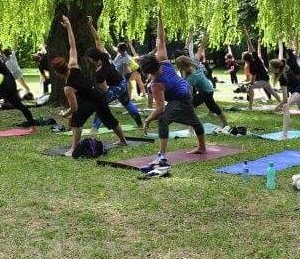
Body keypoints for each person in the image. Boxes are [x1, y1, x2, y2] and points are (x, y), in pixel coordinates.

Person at [139, 11, 207, 170]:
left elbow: (160, 108)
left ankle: (161, 157)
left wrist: (148, 120)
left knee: (163, 119)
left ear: (148, 71)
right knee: (193, 120)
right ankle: (202, 147)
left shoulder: (157, 85)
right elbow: (161, 39)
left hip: (181, 97)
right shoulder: (163, 61)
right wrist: (160, 18)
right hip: (186, 91)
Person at [55, 15, 128, 155]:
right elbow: (72, 45)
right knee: (109, 119)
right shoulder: (73, 65)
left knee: (76, 121)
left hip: (93, 99)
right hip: (98, 96)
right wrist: (69, 26)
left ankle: (73, 149)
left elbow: (74, 107)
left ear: (58, 73)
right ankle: (123, 140)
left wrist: (65, 114)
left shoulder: (68, 87)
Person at [86, 18, 143, 132]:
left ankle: (94, 128)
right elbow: (97, 39)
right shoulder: (104, 56)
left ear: (93, 59)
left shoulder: (99, 73)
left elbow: (104, 89)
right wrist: (91, 25)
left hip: (116, 87)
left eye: (89, 59)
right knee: (126, 103)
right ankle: (140, 124)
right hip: (121, 82)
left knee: (101, 103)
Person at [268, 50, 300, 139]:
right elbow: (280, 56)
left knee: (286, 106)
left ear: (276, 69)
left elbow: (285, 99)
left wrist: (277, 107)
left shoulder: (283, 77)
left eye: (270, 67)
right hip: (298, 88)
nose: (269, 68)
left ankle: (284, 135)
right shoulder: (283, 68)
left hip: (299, 89)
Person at [176, 55, 227, 128]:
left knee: (190, 106)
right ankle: (225, 124)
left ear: (183, 67)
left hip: (205, 92)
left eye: (180, 68)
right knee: (213, 107)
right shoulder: (195, 66)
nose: (180, 69)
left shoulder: (192, 76)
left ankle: (192, 128)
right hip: (209, 89)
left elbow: (188, 91)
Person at [241, 26, 278, 109]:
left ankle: (250, 106)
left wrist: (244, 84)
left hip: (263, 81)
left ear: (245, 60)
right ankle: (283, 102)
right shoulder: (256, 58)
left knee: (250, 87)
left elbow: (252, 81)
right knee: (272, 92)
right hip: (266, 78)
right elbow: (250, 45)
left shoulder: (252, 66)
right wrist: (246, 32)